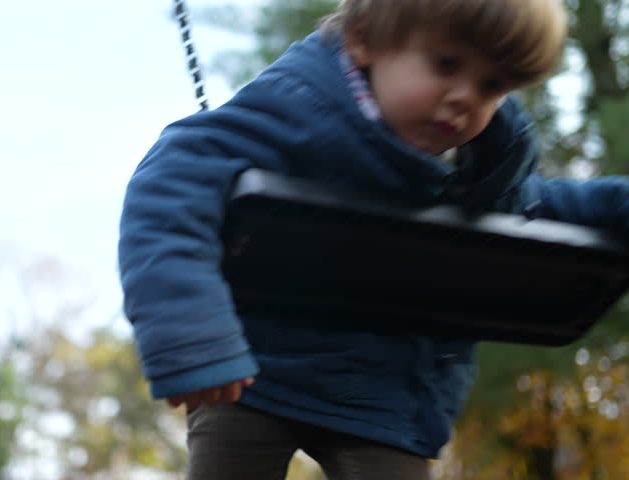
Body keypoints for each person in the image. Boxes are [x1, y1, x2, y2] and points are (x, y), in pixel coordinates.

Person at [118, 0, 629, 478]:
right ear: (364, 42)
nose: (465, 97)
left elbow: (537, 208)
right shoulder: (298, 108)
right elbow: (171, 187)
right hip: (254, 372)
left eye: (492, 84)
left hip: (388, 397)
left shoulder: (483, 166)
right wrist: (193, 335)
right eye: (447, 64)